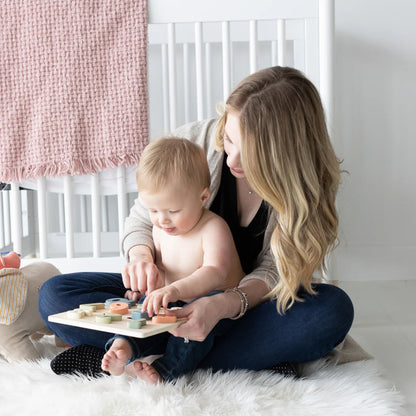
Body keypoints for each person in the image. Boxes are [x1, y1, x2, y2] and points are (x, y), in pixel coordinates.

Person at [39, 66, 354, 380]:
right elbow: (142, 216)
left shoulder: (303, 191)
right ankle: (240, 358)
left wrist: (223, 305)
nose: (232, 161)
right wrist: (141, 258)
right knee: (55, 295)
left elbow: (276, 272)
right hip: (164, 301)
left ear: (286, 156)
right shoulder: (193, 146)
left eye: (253, 155)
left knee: (331, 311)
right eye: (229, 140)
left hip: (242, 308)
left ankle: (142, 349)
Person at [102, 137, 244, 384]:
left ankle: (165, 370)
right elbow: (161, 270)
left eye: (173, 211)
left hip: (212, 309)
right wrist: (147, 289)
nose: (162, 220)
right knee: (141, 312)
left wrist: (174, 289)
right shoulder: (159, 229)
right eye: (153, 210)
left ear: (202, 197)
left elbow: (215, 272)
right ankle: (121, 349)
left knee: (189, 332)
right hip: (171, 300)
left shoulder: (213, 228)